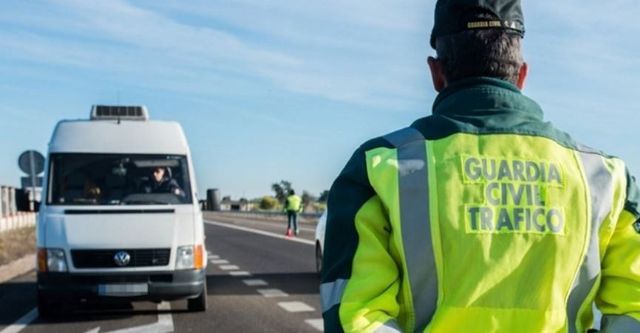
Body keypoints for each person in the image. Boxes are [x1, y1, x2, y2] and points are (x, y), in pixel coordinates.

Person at [320, 1, 640, 332]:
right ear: (522, 75)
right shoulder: (607, 178)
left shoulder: (378, 167)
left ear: (436, 72)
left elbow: (356, 319)